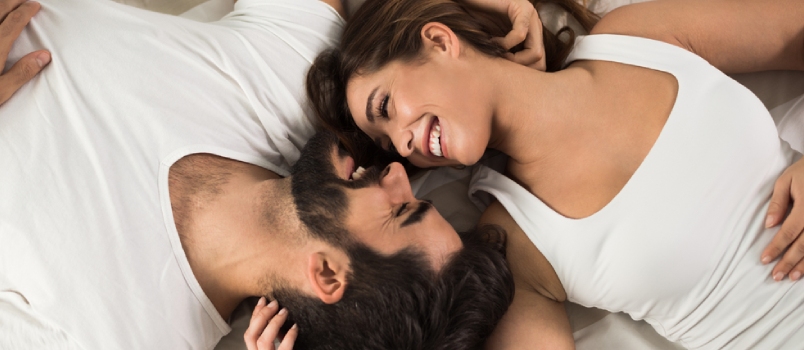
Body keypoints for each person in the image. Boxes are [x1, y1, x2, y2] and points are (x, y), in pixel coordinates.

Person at [0, 0, 542, 348]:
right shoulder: (290, 82)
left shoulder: (115, 334)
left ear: (328, 275)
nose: (400, 173)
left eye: (402, 210)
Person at [308, 0, 804, 348]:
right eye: (388, 142)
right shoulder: (515, 245)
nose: (403, 144)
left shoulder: (634, 38)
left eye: (387, 107)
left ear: (439, 40)